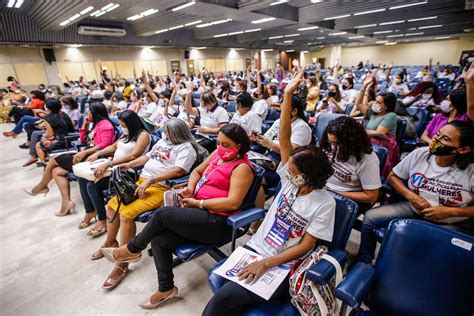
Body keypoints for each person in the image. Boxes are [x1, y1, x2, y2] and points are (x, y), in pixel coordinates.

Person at [202, 69, 336, 316]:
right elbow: (284, 135)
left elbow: (305, 245)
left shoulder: (325, 202)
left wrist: (266, 263)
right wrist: (287, 94)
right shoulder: (291, 180)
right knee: (226, 296)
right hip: (257, 248)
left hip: (283, 263)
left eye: (294, 170)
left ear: (309, 175)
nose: (287, 171)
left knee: (221, 302)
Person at [99, 124, 255, 307]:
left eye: (226, 145)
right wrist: (191, 188)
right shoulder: (218, 155)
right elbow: (197, 171)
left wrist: (199, 203)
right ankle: (166, 289)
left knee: (163, 215)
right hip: (199, 214)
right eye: (218, 143)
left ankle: (132, 249)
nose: (220, 148)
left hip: (218, 222)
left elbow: (233, 203)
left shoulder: (242, 168)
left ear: (239, 146)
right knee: (159, 240)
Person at [98, 118, 201, 290]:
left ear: (176, 133)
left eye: (168, 132)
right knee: (111, 205)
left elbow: (178, 171)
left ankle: (123, 262)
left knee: (126, 215)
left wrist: (151, 180)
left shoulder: (186, 149)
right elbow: (147, 157)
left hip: (161, 187)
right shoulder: (162, 141)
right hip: (142, 182)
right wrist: (128, 164)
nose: (165, 135)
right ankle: (110, 242)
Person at [356, 121, 474, 264]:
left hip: (450, 221)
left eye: (446, 139)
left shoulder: (470, 170)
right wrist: (412, 197)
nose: (436, 140)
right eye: (438, 134)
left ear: (463, 149)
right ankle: (364, 261)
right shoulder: (420, 153)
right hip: (414, 208)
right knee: (370, 218)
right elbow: (392, 177)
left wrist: (449, 212)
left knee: (434, 250)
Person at [23, 102, 115, 216]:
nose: (87, 114)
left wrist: (85, 152)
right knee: (56, 171)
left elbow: (106, 144)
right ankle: (66, 203)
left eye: (89, 112)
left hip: (94, 157)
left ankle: (41, 186)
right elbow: (83, 141)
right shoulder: (96, 124)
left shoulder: (106, 125)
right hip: (85, 154)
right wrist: (84, 126)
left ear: (94, 113)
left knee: (54, 160)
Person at [77, 110, 151, 240]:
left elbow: (134, 155)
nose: (122, 128)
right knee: (83, 179)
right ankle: (90, 211)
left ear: (132, 124)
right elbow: (112, 147)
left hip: (128, 171)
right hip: (114, 167)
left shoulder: (143, 135)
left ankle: (102, 219)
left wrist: (109, 164)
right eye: (121, 125)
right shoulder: (126, 134)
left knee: (92, 186)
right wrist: (97, 154)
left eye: (124, 126)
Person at [320, 116, 381, 210]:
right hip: (324, 189)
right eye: (330, 142)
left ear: (350, 142)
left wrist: (336, 194)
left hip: (344, 198)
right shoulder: (332, 147)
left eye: (336, 143)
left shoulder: (368, 160)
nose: (333, 147)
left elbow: (371, 196)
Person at [355, 73, 398, 178]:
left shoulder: (391, 115)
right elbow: (359, 104)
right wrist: (364, 87)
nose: (375, 104)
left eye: (379, 103)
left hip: (383, 145)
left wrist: (359, 130)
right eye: (375, 101)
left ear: (386, 106)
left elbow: (379, 133)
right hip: (369, 141)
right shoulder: (373, 113)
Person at [184, 82, 229, 153]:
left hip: (212, 138)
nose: (200, 102)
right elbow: (188, 110)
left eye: (202, 101)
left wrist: (207, 130)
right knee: (185, 145)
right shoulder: (203, 108)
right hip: (200, 135)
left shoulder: (221, 111)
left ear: (209, 102)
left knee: (192, 149)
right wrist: (188, 94)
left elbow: (223, 129)